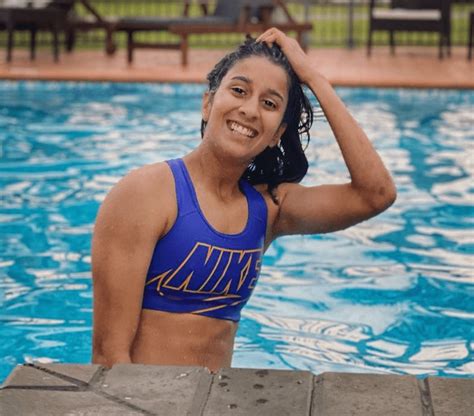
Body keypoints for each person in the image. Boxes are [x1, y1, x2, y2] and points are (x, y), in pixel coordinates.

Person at [91, 28, 396, 372]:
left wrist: (313, 77)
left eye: (269, 104)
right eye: (239, 90)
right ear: (208, 104)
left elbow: (376, 194)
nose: (250, 110)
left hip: (218, 397)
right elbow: (109, 356)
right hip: (146, 397)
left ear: (277, 134)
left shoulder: (268, 209)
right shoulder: (145, 194)